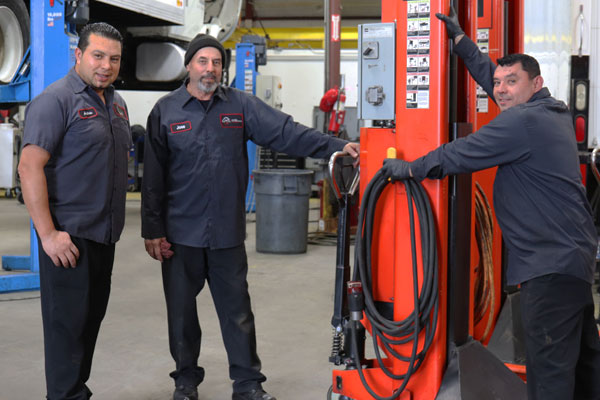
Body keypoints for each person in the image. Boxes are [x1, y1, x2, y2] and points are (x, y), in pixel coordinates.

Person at [382, 7, 600, 400]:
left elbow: (459, 154)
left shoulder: (521, 123)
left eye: (511, 81)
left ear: (537, 83)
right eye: (497, 81)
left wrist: (409, 168)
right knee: (583, 368)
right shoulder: (552, 112)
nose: (500, 88)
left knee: (549, 377)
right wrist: (463, 44)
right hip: (573, 263)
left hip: (547, 270)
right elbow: (500, 89)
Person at [141, 33, 359, 400]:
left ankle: (247, 385)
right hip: (180, 234)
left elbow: (286, 133)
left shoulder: (240, 106)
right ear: (189, 65)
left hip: (226, 232)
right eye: (203, 62)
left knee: (238, 313)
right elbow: (153, 178)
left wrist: (336, 147)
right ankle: (185, 380)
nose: (210, 69)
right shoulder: (165, 111)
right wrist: (152, 230)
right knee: (181, 315)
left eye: (216, 63)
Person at [18, 22, 130, 400]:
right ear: (78, 55)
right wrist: (48, 235)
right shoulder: (56, 100)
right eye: (98, 56)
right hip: (69, 237)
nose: (106, 65)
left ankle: (74, 393)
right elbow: (29, 166)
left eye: (113, 58)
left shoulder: (116, 103)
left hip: (104, 235)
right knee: (66, 331)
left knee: (88, 326)